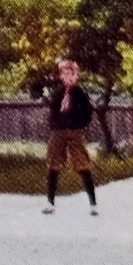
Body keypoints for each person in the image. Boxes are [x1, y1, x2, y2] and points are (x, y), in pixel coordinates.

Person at [44, 58, 98, 216]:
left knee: (82, 164)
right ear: (60, 76)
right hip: (59, 131)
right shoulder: (57, 94)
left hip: (75, 131)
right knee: (53, 164)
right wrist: (55, 125)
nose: (67, 77)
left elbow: (88, 113)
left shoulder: (80, 94)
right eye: (64, 74)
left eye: (70, 74)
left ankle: (93, 203)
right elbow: (53, 112)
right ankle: (50, 202)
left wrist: (80, 125)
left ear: (76, 76)